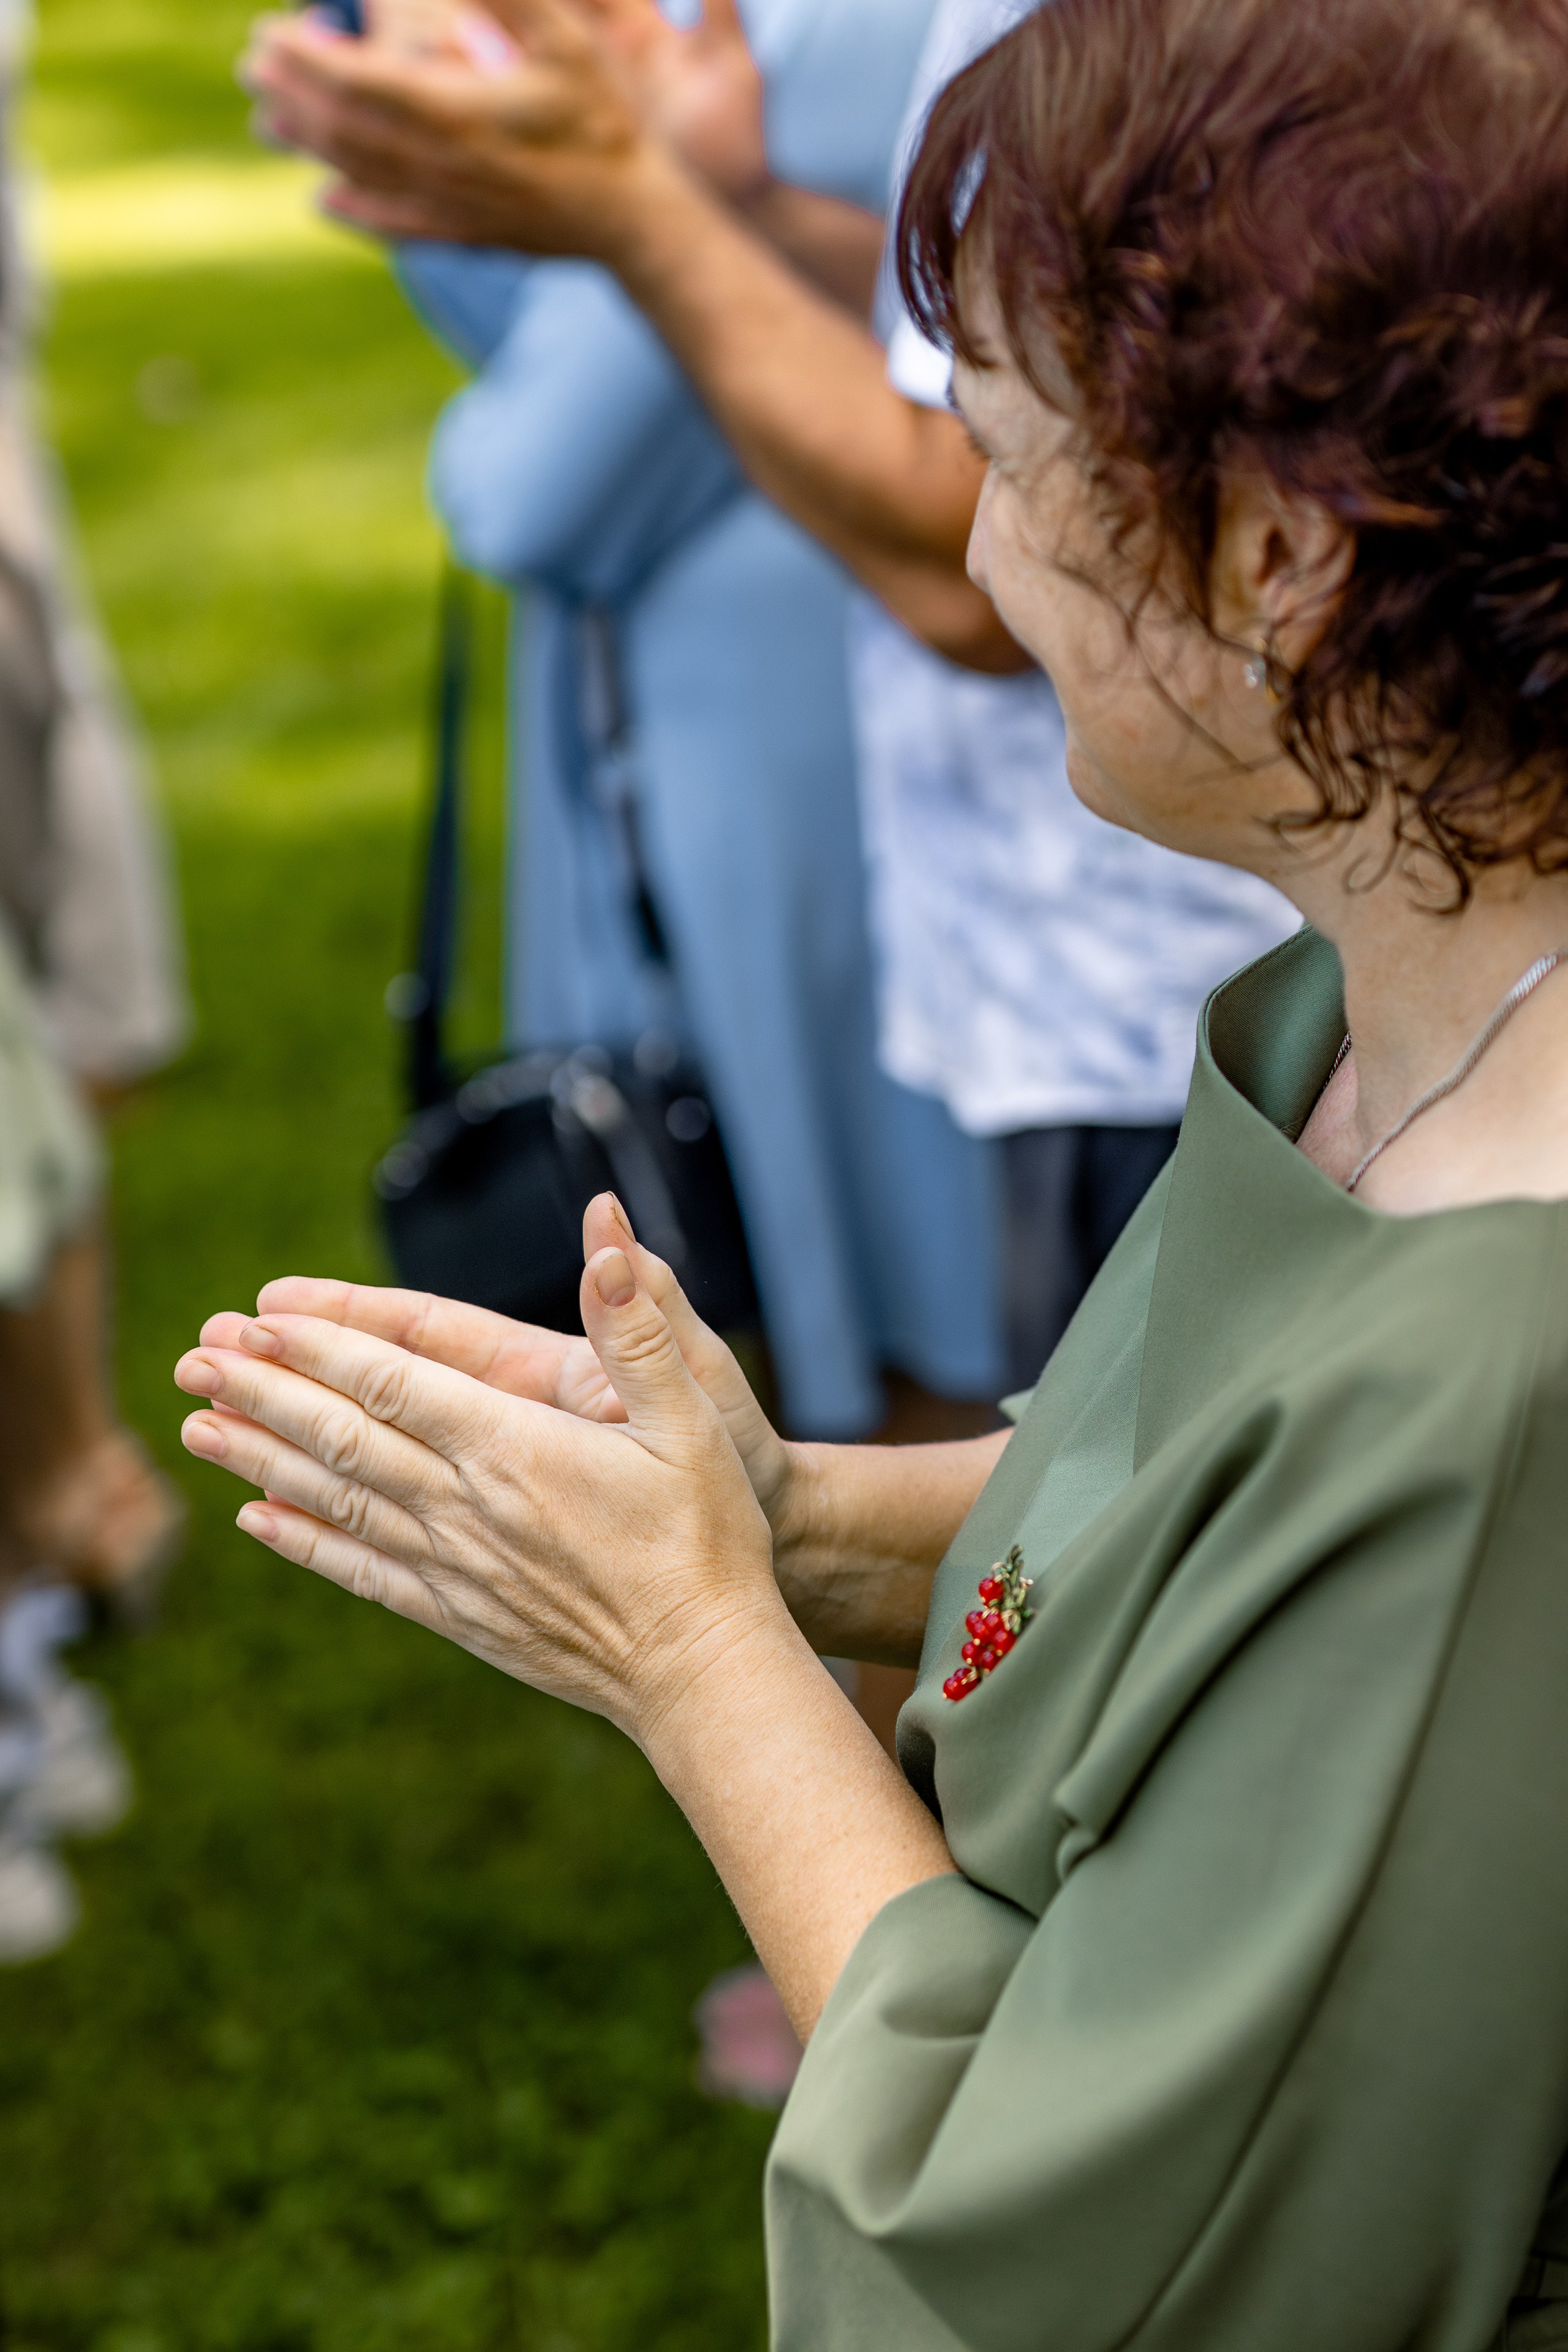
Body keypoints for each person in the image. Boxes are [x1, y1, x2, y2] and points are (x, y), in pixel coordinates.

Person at [183, 0, 1568, 2339]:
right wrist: (783, 1513)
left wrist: (690, 1644)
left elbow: (1072, 2264)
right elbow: (1226, 1522)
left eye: (1014, 458)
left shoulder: (1503, 1373)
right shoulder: (1390, 1003)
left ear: (1281, 557)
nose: (981, 565)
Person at [243, 0, 1297, 1397]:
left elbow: (946, 564)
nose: (997, 527)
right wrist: (714, 201)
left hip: (1142, 969)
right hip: (1038, 938)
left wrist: (636, 210)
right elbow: (950, 356)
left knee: (1068, 1472)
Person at [383, 0, 1009, 1446]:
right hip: (681, 756)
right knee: (748, 1341)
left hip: (827, 778)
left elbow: (530, 482)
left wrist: (629, 231)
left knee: (920, 1376)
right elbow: (513, 294)